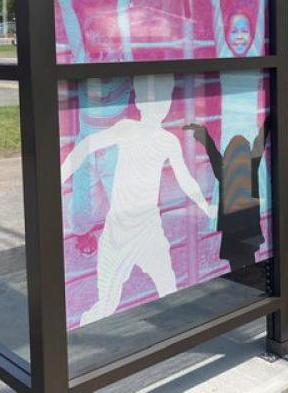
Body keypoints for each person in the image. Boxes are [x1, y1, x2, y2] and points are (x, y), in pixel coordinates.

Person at [61, 75, 216, 326]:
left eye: (161, 100)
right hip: (119, 232)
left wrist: (205, 206)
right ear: (140, 102)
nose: (157, 106)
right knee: (106, 304)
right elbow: (86, 146)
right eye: (151, 99)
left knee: (167, 285)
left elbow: (186, 179)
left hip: (147, 229)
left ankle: (181, 332)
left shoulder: (165, 140)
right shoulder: (128, 129)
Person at [184, 120, 269, 272]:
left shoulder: (224, 171)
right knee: (251, 264)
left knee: (236, 269)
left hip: (232, 233)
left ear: (229, 154)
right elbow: (259, 142)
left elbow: (212, 152)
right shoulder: (251, 166)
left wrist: (204, 134)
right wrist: (270, 120)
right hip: (250, 230)